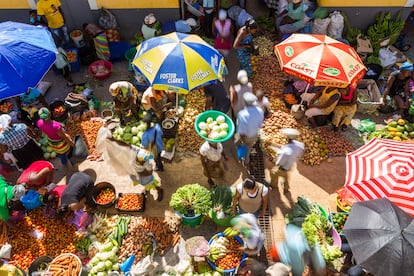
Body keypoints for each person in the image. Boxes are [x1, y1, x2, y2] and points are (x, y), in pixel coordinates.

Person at [270, 128, 305, 193]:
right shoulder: (299, 145)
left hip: (283, 167)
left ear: (288, 139)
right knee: (286, 176)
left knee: (273, 173)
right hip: (291, 166)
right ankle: (286, 188)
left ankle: (273, 185)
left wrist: (277, 155)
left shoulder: (285, 152)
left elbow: (280, 162)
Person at [236, 92, 264, 164]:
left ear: (245, 102)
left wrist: (242, 139)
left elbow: (241, 130)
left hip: (245, 136)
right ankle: (246, 160)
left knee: (242, 146)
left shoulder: (242, 114)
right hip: (254, 134)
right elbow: (260, 124)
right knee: (249, 147)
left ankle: (240, 159)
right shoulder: (260, 111)